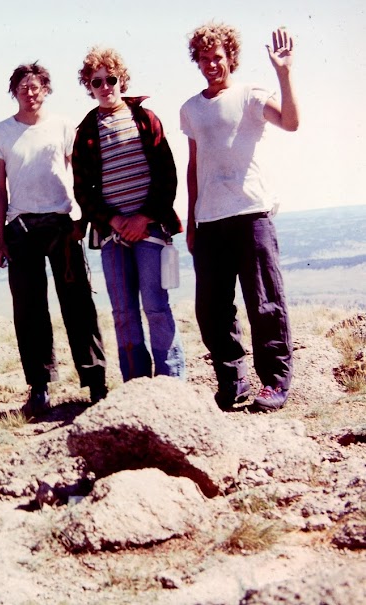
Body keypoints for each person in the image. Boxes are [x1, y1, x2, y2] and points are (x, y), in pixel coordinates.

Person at [180, 24, 299, 412]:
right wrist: (192, 220)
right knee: (211, 309)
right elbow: (194, 166)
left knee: (264, 303)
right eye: (204, 58)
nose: (211, 64)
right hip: (209, 221)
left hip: (251, 215)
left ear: (230, 56)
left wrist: (284, 73)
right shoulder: (191, 109)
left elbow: (291, 122)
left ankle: (275, 382)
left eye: (217, 56)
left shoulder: (250, 95)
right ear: (197, 61)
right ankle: (233, 382)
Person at [0, 62, 107, 417]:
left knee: (78, 303)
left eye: (35, 86)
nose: (30, 92)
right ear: (14, 92)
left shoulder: (64, 127)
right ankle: (39, 387)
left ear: (46, 89)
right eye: (22, 87)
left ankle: (96, 382)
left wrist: (80, 219)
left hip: (61, 224)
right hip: (20, 228)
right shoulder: (0, 133)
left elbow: (77, 174)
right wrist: (0, 237)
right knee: (29, 309)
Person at [73, 47, 186, 383]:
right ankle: (135, 384)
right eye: (97, 82)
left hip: (149, 229)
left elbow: (167, 175)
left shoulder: (146, 119)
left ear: (122, 79)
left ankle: (170, 381)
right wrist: (115, 221)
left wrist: (143, 217)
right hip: (112, 235)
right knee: (123, 311)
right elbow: (83, 189)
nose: (105, 86)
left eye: (111, 79)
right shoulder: (86, 132)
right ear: (89, 86)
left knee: (155, 305)